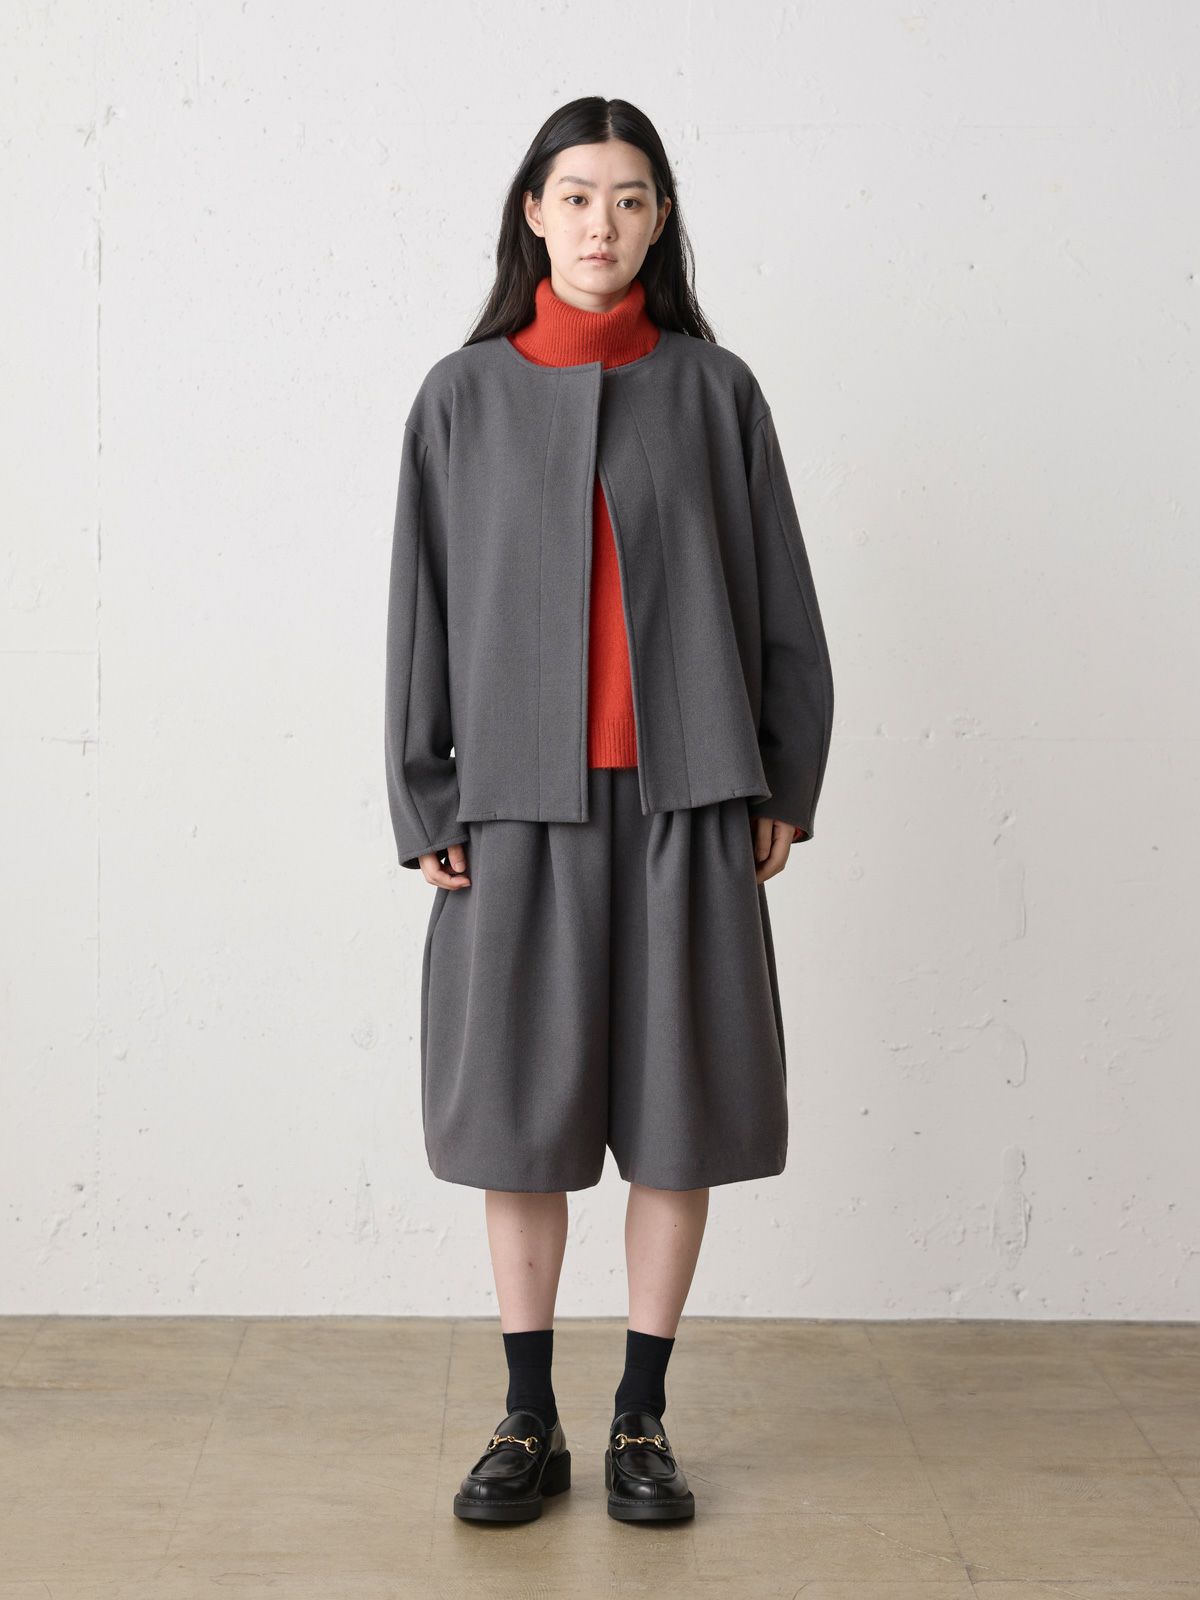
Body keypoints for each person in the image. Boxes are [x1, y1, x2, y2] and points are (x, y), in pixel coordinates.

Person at [384, 96, 835, 1525]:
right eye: (576, 196)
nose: (601, 224)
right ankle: (528, 1416)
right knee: (518, 1119)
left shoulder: (716, 392)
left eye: (630, 199)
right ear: (532, 213)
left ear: (659, 221)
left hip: (690, 802)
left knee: (679, 1112)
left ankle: (643, 1416)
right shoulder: (460, 399)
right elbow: (420, 608)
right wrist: (425, 791)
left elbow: (784, 601)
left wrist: (784, 778)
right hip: (514, 813)